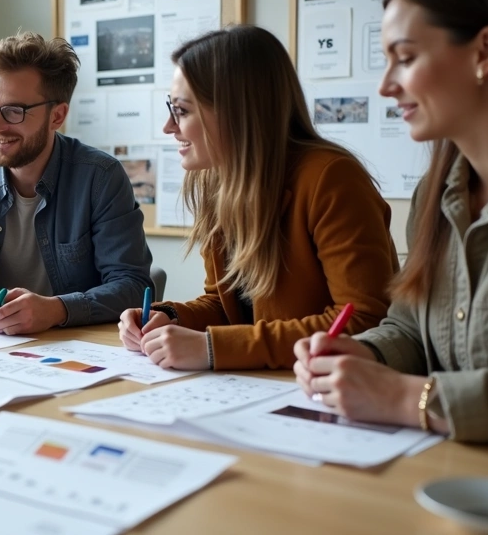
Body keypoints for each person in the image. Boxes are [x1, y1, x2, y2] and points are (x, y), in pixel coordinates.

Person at [295, 0, 488, 449]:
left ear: (486, 51)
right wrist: (367, 356)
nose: (386, 86)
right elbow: (409, 328)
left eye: (404, 58)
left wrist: (412, 400)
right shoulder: (437, 195)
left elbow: (421, 390)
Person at [118, 25, 398, 370]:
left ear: (237, 112)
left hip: (325, 390)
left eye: (182, 110)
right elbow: (226, 307)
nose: (168, 126)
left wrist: (212, 348)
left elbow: (364, 321)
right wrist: (169, 317)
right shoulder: (217, 181)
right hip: (263, 386)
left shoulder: (331, 178)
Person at [0, 32, 153, 335]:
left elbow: (133, 285)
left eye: (14, 111)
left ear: (57, 116)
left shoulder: (100, 177)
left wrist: (57, 309)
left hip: (77, 350)